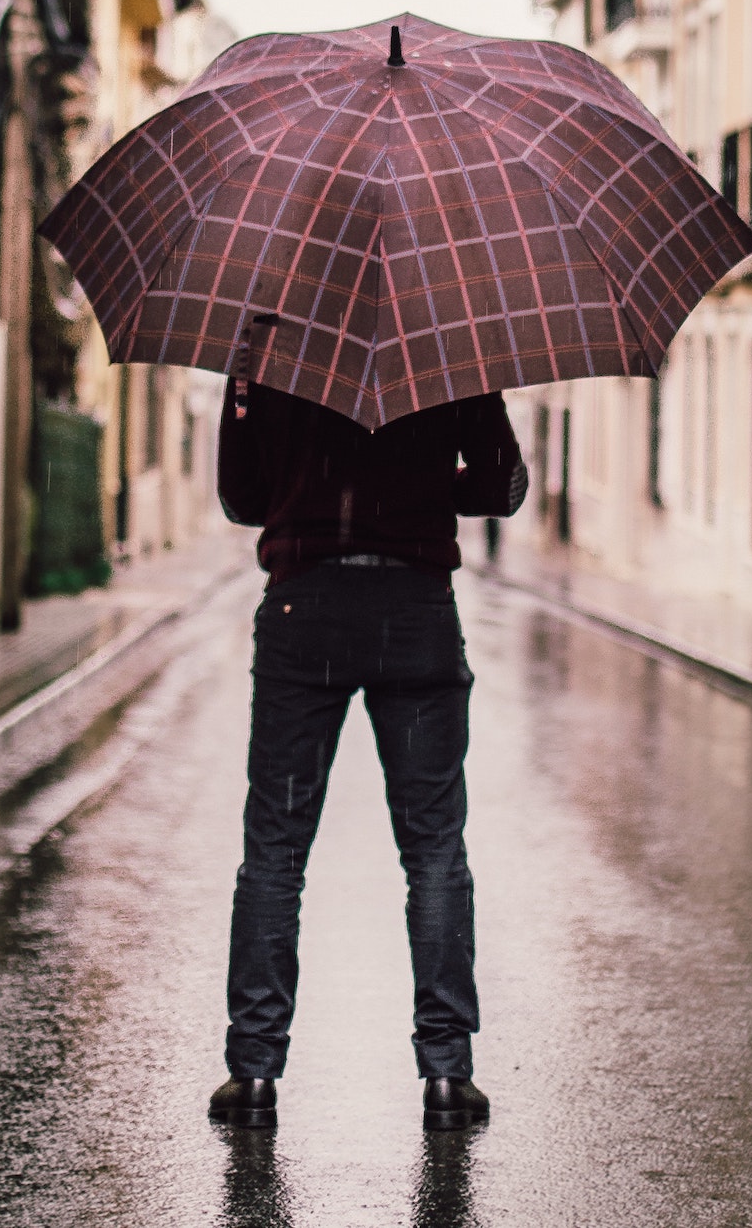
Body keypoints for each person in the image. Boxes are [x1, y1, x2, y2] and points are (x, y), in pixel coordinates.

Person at [208, 378, 528, 1133]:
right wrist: (419, 484)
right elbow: (501, 485)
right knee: (434, 849)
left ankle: (253, 1072)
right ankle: (448, 1075)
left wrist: (311, 483)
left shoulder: (265, 343)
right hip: (414, 607)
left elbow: (240, 495)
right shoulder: (452, 339)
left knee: (276, 851)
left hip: (303, 605)